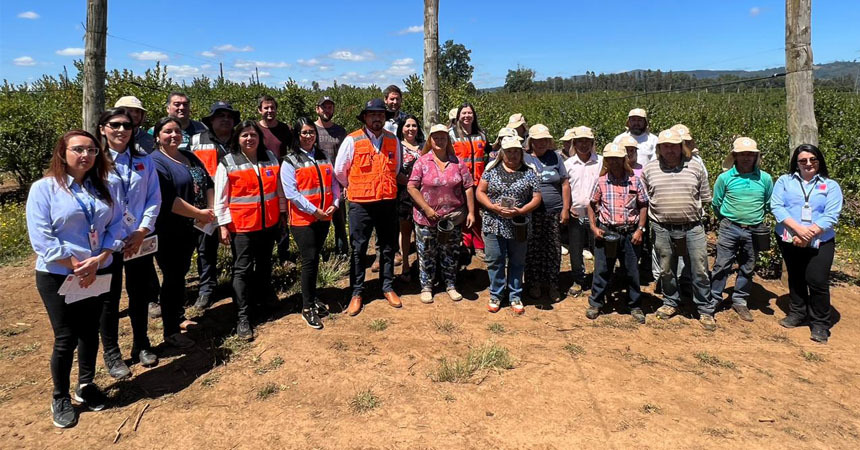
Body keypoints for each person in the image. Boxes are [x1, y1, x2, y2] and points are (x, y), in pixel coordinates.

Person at [26, 130, 123, 428]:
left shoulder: (102, 187)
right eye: (78, 149)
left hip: (96, 268)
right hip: (58, 275)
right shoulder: (44, 189)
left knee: (90, 330)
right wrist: (75, 263)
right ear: (62, 153)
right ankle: (60, 396)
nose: (86, 156)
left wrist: (101, 256)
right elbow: (41, 237)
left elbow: (117, 224)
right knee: (66, 336)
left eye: (92, 150)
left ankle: (86, 384)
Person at [97, 108, 162, 379]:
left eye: (126, 125)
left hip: (138, 239)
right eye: (115, 125)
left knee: (139, 293)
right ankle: (112, 354)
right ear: (103, 129)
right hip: (106, 244)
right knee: (108, 301)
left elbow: (153, 197)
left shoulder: (144, 161)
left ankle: (141, 344)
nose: (122, 130)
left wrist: (142, 230)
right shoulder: (94, 162)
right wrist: (113, 238)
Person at [215, 120, 287, 340]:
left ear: (259, 138)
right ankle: (243, 316)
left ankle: (264, 298)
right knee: (242, 269)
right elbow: (220, 196)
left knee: (265, 263)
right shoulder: (228, 162)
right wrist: (222, 225)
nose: (249, 139)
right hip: (242, 225)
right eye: (245, 135)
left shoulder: (270, 158)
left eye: (253, 135)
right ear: (238, 138)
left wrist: (282, 214)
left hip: (268, 223)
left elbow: (279, 189)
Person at [150, 117, 215, 351]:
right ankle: (171, 331)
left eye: (177, 131)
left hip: (194, 226)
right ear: (157, 136)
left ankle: (178, 317)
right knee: (172, 278)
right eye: (167, 131)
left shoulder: (189, 156)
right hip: (170, 229)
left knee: (180, 274)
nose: (174, 135)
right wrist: (199, 212)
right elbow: (167, 200)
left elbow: (208, 181)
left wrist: (209, 211)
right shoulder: (155, 162)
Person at [334, 98, 403, 315]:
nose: (377, 118)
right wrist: (353, 186)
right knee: (359, 249)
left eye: (381, 115)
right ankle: (357, 292)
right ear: (365, 117)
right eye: (373, 115)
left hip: (387, 202)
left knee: (388, 246)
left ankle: (387, 286)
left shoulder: (393, 140)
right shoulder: (352, 140)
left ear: (385, 118)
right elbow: (339, 171)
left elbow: (396, 167)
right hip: (360, 204)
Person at [641, 129, 715, 330]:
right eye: (666, 146)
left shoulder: (695, 167)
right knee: (666, 268)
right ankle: (670, 301)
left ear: (681, 147)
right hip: (662, 227)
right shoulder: (650, 169)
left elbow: (705, 197)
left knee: (700, 268)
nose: (670, 150)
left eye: (674, 146)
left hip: (692, 227)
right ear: (659, 149)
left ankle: (705, 308)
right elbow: (645, 198)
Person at [771, 144, 842, 343]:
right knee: (796, 276)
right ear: (796, 163)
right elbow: (777, 206)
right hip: (789, 236)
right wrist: (799, 231)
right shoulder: (785, 181)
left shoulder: (830, 185)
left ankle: (820, 323)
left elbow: (832, 215)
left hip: (821, 239)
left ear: (819, 161)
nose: (808, 164)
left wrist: (808, 234)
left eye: (813, 159)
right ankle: (798, 312)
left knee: (817, 280)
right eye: (803, 160)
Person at [280, 117, 340, 330]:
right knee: (309, 259)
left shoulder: (322, 156)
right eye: (304, 133)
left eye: (311, 132)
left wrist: (335, 202)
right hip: (304, 220)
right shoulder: (290, 161)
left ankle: (312, 298)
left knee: (314, 261)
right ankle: (307, 308)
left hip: (325, 217)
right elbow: (291, 193)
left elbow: (334, 182)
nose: (308, 136)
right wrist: (315, 211)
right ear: (297, 136)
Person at [407, 124, 476, 303]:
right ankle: (427, 286)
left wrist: (471, 211)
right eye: (435, 137)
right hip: (426, 218)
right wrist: (427, 209)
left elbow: (468, 187)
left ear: (448, 140)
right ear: (430, 140)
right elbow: (412, 187)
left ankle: (451, 284)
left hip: (452, 218)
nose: (439, 140)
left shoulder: (457, 162)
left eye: (443, 137)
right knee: (426, 252)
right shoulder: (422, 162)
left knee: (451, 251)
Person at [710, 137, 773, 322]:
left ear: (756, 157)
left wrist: (756, 220)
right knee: (722, 264)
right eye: (743, 154)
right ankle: (714, 298)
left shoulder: (765, 178)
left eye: (750, 154)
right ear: (735, 156)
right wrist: (727, 221)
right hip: (730, 227)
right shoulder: (725, 178)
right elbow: (716, 203)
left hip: (754, 229)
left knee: (748, 266)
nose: (746, 158)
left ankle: (740, 300)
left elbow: (768, 204)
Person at [476, 136, 542, 314]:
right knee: (495, 259)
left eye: (516, 151)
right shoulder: (491, 170)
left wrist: (521, 211)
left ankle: (515, 295)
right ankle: (496, 294)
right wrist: (491, 206)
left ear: (521, 153)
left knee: (517, 261)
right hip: (494, 222)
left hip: (519, 223)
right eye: (509, 152)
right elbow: (480, 191)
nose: (512, 155)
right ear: (502, 153)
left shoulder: (529, 172)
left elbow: (537, 197)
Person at [585, 143, 648, 323]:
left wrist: (640, 229)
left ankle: (634, 305)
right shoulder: (601, 181)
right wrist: (593, 226)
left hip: (630, 233)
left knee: (631, 270)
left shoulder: (635, 181)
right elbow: (591, 204)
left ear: (623, 160)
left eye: (617, 159)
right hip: (607, 232)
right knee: (602, 269)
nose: (613, 162)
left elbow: (643, 205)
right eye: (610, 159)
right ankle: (596, 303)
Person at [189, 101, 239, 309]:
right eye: (220, 116)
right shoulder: (197, 140)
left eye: (229, 116)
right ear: (210, 120)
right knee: (205, 249)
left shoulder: (240, 139)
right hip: (206, 205)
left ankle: (240, 286)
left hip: (235, 203)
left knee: (240, 247)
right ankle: (207, 289)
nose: (225, 119)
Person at [524, 124, 570, 301]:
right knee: (533, 249)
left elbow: (565, 183)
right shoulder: (525, 158)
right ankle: (534, 283)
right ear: (531, 141)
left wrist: (565, 209)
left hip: (553, 212)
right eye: (538, 140)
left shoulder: (555, 157)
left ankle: (552, 284)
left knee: (552, 249)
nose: (542, 143)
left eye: (545, 140)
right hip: (531, 212)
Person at [256, 95, 295, 270]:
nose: (269, 111)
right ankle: (263, 257)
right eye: (266, 108)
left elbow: (293, 150)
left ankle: (284, 255)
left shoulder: (285, 129)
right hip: (260, 179)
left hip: (281, 179)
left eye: (272, 107)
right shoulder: (255, 129)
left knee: (282, 216)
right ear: (259, 110)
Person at [564, 126, 602, 297]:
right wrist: (568, 206)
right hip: (576, 213)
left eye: (587, 141)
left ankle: (598, 280)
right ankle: (578, 280)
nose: (584, 144)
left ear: (592, 143)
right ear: (574, 143)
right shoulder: (568, 164)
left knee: (598, 248)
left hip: (599, 214)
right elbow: (564, 187)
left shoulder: (601, 162)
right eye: (580, 141)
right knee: (576, 248)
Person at [449, 103, 488, 260]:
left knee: (476, 215)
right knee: (462, 214)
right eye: (464, 113)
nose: (467, 116)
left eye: (469, 113)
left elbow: (488, 154)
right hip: (459, 182)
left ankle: (479, 246)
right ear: (458, 116)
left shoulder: (481, 134)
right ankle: (465, 244)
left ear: (474, 115)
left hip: (478, 181)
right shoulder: (451, 135)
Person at [315, 96, 349, 256]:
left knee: (340, 221)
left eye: (330, 107)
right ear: (317, 109)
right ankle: (318, 254)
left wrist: (347, 184)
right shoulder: (311, 130)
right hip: (315, 184)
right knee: (317, 221)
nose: (327, 110)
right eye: (324, 107)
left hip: (337, 183)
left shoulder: (340, 131)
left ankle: (342, 253)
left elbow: (347, 158)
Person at [396, 115, 425, 280]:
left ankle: (423, 265)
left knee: (421, 231)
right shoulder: (397, 146)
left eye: (414, 125)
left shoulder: (424, 145)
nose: (411, 129)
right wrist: (411, 184)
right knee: (405, 230)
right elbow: (395, 171)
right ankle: (406, 265)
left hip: (423, 194)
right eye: (407, 125)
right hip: (404, 194)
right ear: (402, 128)